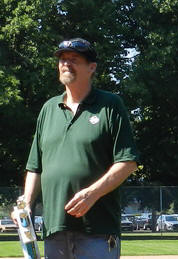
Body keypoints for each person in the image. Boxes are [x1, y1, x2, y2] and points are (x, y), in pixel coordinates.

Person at [12, 38, 139, 258]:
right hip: (54, 229)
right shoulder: (49, 108)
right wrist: (26, 204)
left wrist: (92, 193)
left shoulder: (110, 105)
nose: (65, 64)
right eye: (62, 59)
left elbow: (127, 162)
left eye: (74, 59)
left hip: (97, 229)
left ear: (92, 67)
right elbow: (35, 166)